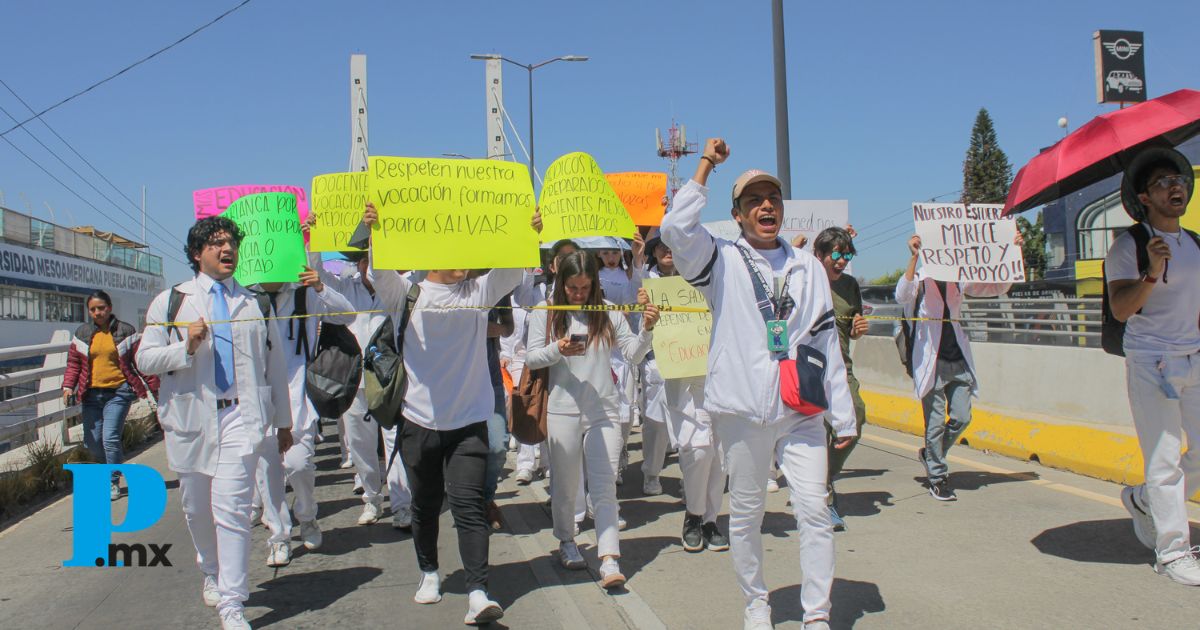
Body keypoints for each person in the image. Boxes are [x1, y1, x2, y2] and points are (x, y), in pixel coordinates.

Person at [661, 138, 856, 630]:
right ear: (738, 214)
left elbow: (824, 338)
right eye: (754, 201)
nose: (766, 206)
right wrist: (705, 164)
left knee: (813, 508)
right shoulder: (719, 260)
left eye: (772, 199)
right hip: (742, 411)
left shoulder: (807, 266)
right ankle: (756, 603)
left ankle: (816, 615)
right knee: (746, 515)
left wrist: (843, 412)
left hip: (800, 409)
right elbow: (674, 229)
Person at [362, 202, 523, 624]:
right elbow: (378, 275)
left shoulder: (479, 292)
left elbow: (514, 270)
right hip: (419, 423)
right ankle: (429, 572)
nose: (462, 262)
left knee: (470, 507)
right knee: (426, 504)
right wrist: (375, 231)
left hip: (469, 422)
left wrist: (527, 229)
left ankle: (478, 592)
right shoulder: (408, 293)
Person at [136, 216, 293, 630]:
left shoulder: (254, 302)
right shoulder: (172, 302)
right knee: (196, 509)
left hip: (243, 416)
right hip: (192, 420)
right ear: (196, 253)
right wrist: (184, 346)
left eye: (232, 243)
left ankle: (233, 602)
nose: (228, 250)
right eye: (217, 244)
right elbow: (144, 359)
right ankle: (210, 570)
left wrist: (284, 421)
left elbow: (274, 367)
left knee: (234, 510)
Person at [525, 251, 658, 589]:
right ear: (561, 283)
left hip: (604, 411)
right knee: (566, 486)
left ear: (595, 285)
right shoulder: (546, 312)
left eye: (585, 287)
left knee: (604, 485)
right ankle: (567, 540)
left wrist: (647, 330)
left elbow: (632, 353)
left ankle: (610, 556)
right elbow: (531, 358)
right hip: (562, 410)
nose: (579, 294)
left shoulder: (608, 311)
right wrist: (558, 349)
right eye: (572, 287)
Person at [1107, 146, 1200, 586]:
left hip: (1193, 357)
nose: (1174, 186)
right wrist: (1151, 271)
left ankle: (1146, 499)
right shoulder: (1130, 245)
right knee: (1164, 460)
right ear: (1144, 198)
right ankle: (1172, 553)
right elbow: (1122, 309)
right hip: (1151, 362)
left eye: (1178, 180)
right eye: (1162, 183)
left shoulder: (1195, 243)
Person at [896, 227, 1018, 502]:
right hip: (931, 360)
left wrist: (1013, 253)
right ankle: (938, 477)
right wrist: (913, 259)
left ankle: (930, 453)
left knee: (962, 417)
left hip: (958, 357)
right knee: (935, 423)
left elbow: (996, 286)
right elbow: (901, 295)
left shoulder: (959, 279)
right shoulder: (921, 279)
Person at [247, 257, 355, 567]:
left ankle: (307, 516)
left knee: (299, 466)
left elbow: (346, 314)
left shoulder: (303, 293)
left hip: (296, 399)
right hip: (259, 401)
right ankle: (279, 537)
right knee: (268, 476)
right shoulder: (245, 300)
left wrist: (320, 285)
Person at [638, 235, 730, 552]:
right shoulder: (649, 290)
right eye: (661, 246)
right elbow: (639, 345)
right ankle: (693, 514)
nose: (667, 251)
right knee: (698, 450)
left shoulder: (710, 283)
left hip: (717, 383)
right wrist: (646, 320)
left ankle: (710, 521)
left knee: (718, 458)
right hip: (680, 384)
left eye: (673, 246)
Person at [311, 248, 395, 527]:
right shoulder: (346, 288)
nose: (369, 265)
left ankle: (402, 503)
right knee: (360, 444)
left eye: (374, 257)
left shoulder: (395, 286)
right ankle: (372, 499)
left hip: (390, 381)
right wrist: (312, 243)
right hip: (355, 380)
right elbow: (318, 276)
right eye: (364, 260)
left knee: (395, 443)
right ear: (358, 264)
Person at [62, 290, 159, 501]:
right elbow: (74, 364)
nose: (98, 312)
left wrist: (155, 390)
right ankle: (108, 473)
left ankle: (113, 482)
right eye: (93, 309)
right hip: (91, 395)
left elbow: (140, 362)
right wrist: (68, 386)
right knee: (93, 442)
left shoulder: (125, 331)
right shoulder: (82, 333)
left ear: (110, 308)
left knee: (110, 438)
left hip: (119, 392)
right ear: (89, 311)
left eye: (101, 308)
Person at [811, 227, 868, 530]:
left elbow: (852, 325)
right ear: (819, 255)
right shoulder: (805, 280)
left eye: (846, 255)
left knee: (854, 422)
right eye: (835, 254)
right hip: (810, 369)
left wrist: (858, 328)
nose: (841, 260)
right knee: (818, 436)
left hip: (842, 369)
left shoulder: (849, 286)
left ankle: (821, 479)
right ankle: (825, 499)